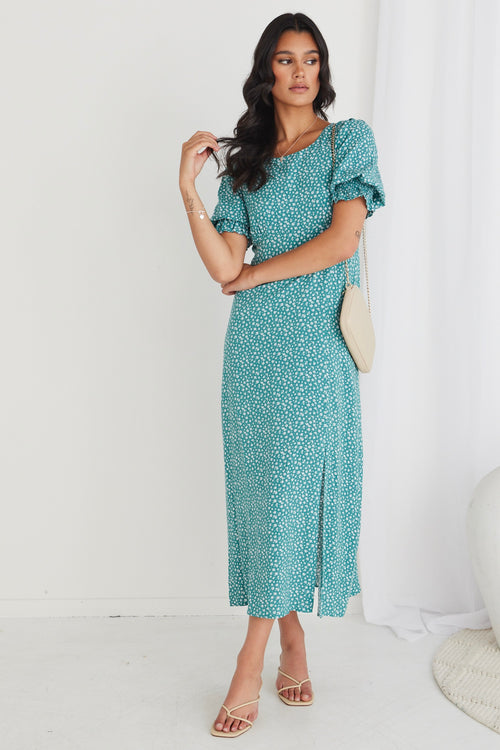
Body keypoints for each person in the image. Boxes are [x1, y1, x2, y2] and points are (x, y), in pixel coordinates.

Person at [178, 11, 386, 738]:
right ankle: (293, 638)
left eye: (312, 59)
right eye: (286, 59)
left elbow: (341, 240)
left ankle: (252, 655)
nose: (301, 72)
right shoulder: (248, 163)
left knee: (296, 489)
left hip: (318, 350)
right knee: (270, 498)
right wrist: (189, 192)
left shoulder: (349, 140)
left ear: (322, 71)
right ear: (267, 72)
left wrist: (258, 274)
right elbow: (224, 270)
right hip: (255, 352)